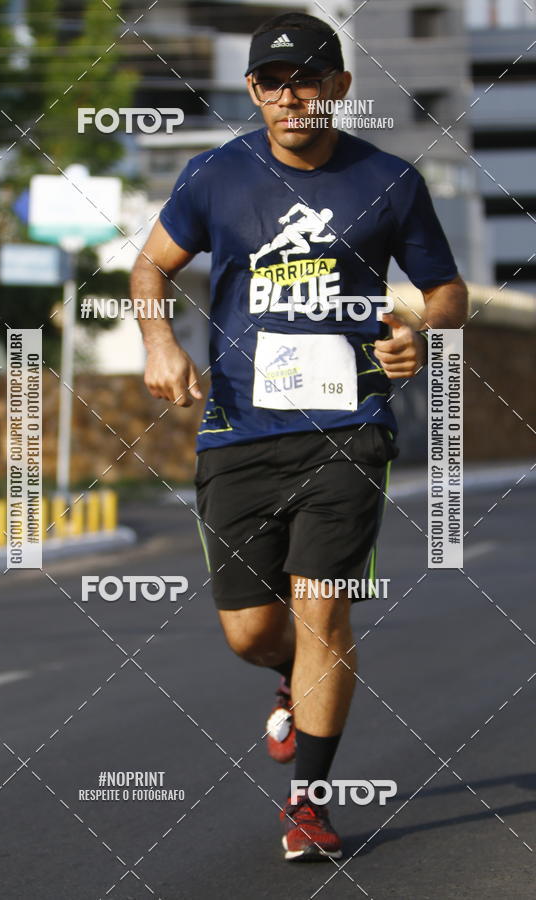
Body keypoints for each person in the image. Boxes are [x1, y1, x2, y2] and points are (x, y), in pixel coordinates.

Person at [131, 11, 468, 862]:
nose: (289, 97)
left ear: (339, 90)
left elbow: (447, 292)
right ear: (253, 92)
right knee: (250, 630)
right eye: (272, 84)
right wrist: (158, 339)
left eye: (307, 81)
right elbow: (150, 266)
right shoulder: (216, 176)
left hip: (349, 429)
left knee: (322, 611)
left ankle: (309, 802)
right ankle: (294, 675)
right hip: (239, 428)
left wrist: (418, 333)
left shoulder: (389, 181)